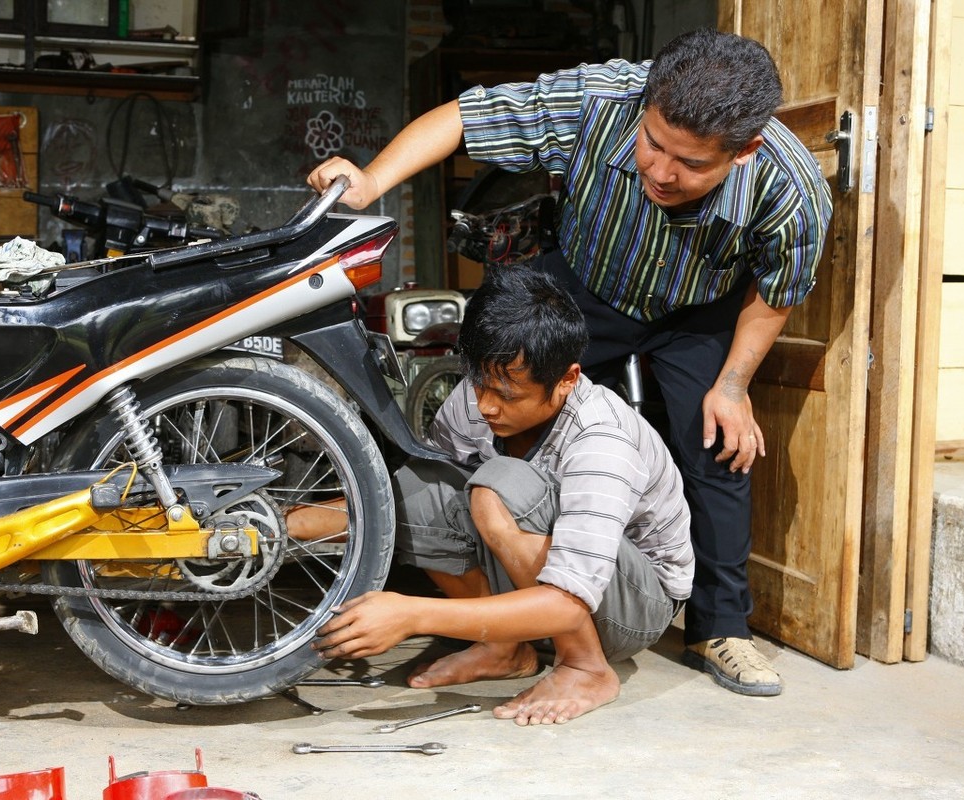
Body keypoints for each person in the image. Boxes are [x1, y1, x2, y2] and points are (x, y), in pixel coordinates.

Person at [308, 27, 833, 697]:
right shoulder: (596, 97)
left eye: (693, 165)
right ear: (644, 106)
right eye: (653, 145)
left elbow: (777, 290)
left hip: (696, 306)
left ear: (745, 150)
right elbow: (464, 118)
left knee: (716, 445)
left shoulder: (790, 191)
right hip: (587, 282)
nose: (663, 174)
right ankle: (494, 597)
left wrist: (733, 385)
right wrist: (370, 180)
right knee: (500, 403)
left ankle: (721, 627)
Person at [315, 265, 692, 725]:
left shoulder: (602, 441)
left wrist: (411, 614)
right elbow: (427, 507)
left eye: (508, 394)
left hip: (627, 606)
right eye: (479, 383)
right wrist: (271, 524)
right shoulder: (476, 398)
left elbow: (568, 599)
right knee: (418, 485)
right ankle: (502, 648)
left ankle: (585, 666)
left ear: (568, 379)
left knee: (498, 486)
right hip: (544, 586)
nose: (487, 406)